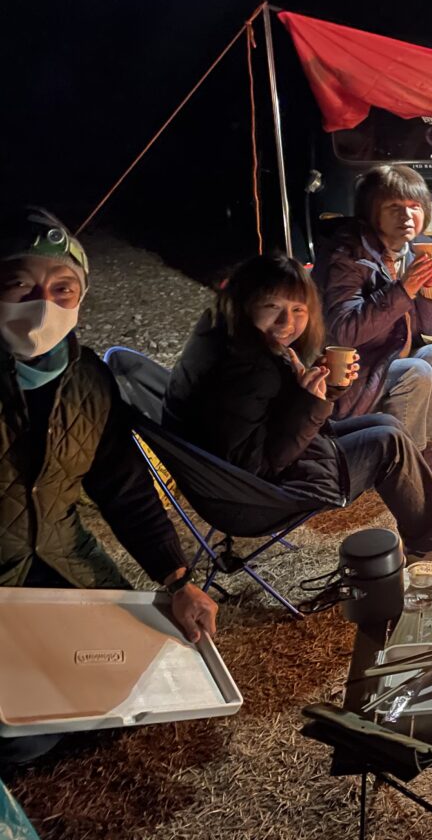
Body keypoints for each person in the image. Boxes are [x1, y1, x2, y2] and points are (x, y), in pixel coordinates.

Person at [0, 207, 219, 763]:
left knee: (132, 674)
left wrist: (177, 580)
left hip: (62, 556)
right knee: (27, 736)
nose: (41, 302)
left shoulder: (88, 378)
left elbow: (123, 488)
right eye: (19, 283)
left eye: (62, 288)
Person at [164, 253, 432, 564]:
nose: (287, 322)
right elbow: (261, 466)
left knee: (385, 424)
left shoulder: (226, 336)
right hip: (252, 497)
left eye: (299, 310)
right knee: (389, 446)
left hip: (239, 476)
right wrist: (312, 403)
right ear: (245, 303)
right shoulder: (249, 368)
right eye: (272, 306)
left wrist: (321, 389)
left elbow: (260, 425)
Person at [313, 164, 432, 479]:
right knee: (417, 369)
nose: (407, 216)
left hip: (392, 359)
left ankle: (427, 450)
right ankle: (403, 463)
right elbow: (343, 331)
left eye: (414, 207)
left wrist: (430, 289)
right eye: (394, 207)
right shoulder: (348, 256)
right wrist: (403, 289)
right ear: (371, 212)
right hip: (357, 373)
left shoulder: (410, 252)